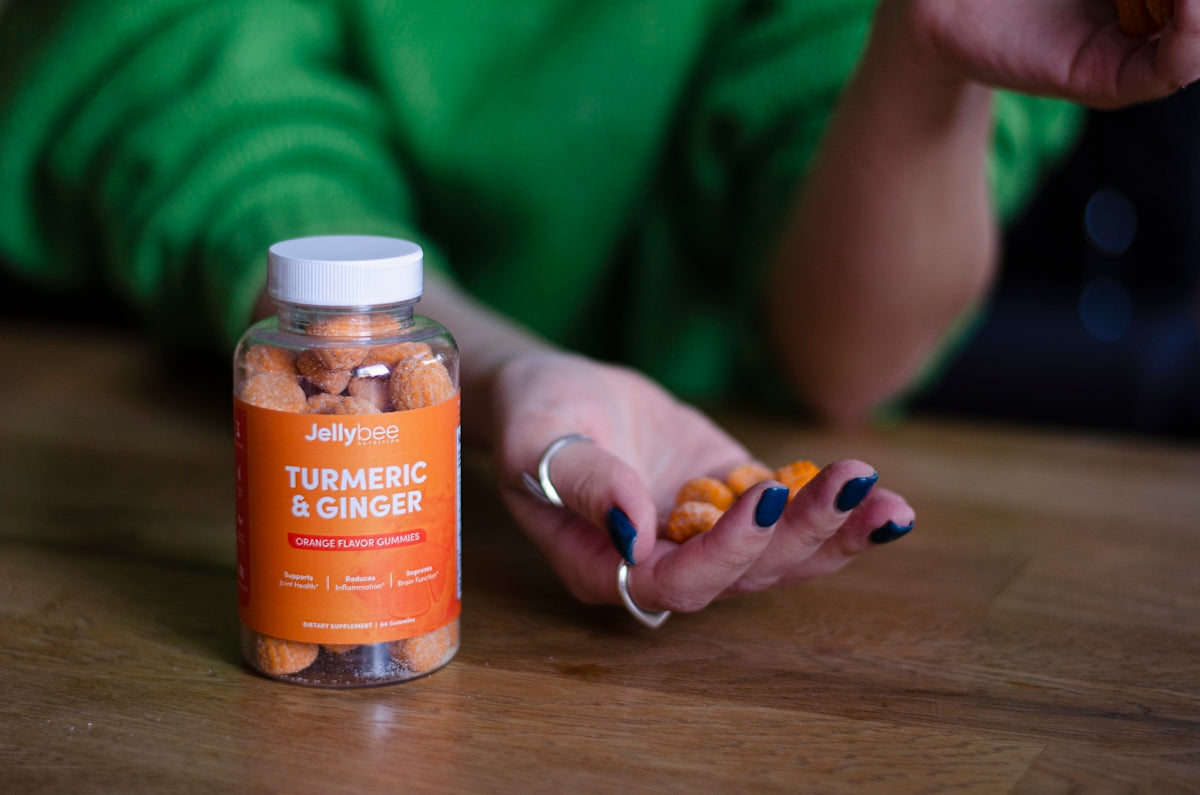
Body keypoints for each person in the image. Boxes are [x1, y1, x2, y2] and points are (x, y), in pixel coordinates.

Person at [1, 1, 1197, 624]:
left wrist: (928, 51)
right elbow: (193, 101)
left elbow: (850, 361)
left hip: (727, 406)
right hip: (132, 432)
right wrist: (497, 373)